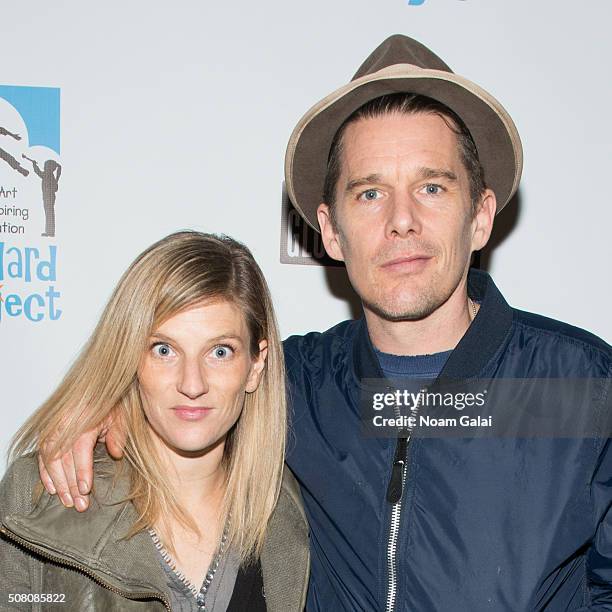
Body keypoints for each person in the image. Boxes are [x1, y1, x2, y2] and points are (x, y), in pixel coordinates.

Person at [36, 36, 611, 610]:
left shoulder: (580, 386)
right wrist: (102, 412)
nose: (401, 221)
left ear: (481, 216)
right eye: (369, 194)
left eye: (431, 187)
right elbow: (183, 395)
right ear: (330, 231)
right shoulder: (295, 387)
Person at [0, 231, 309, 611]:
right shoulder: (39, 498)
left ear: (255, 365)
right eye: (164, 350)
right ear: (130, 356)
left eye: (219, 351)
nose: (191, 384)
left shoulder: (288, 509)